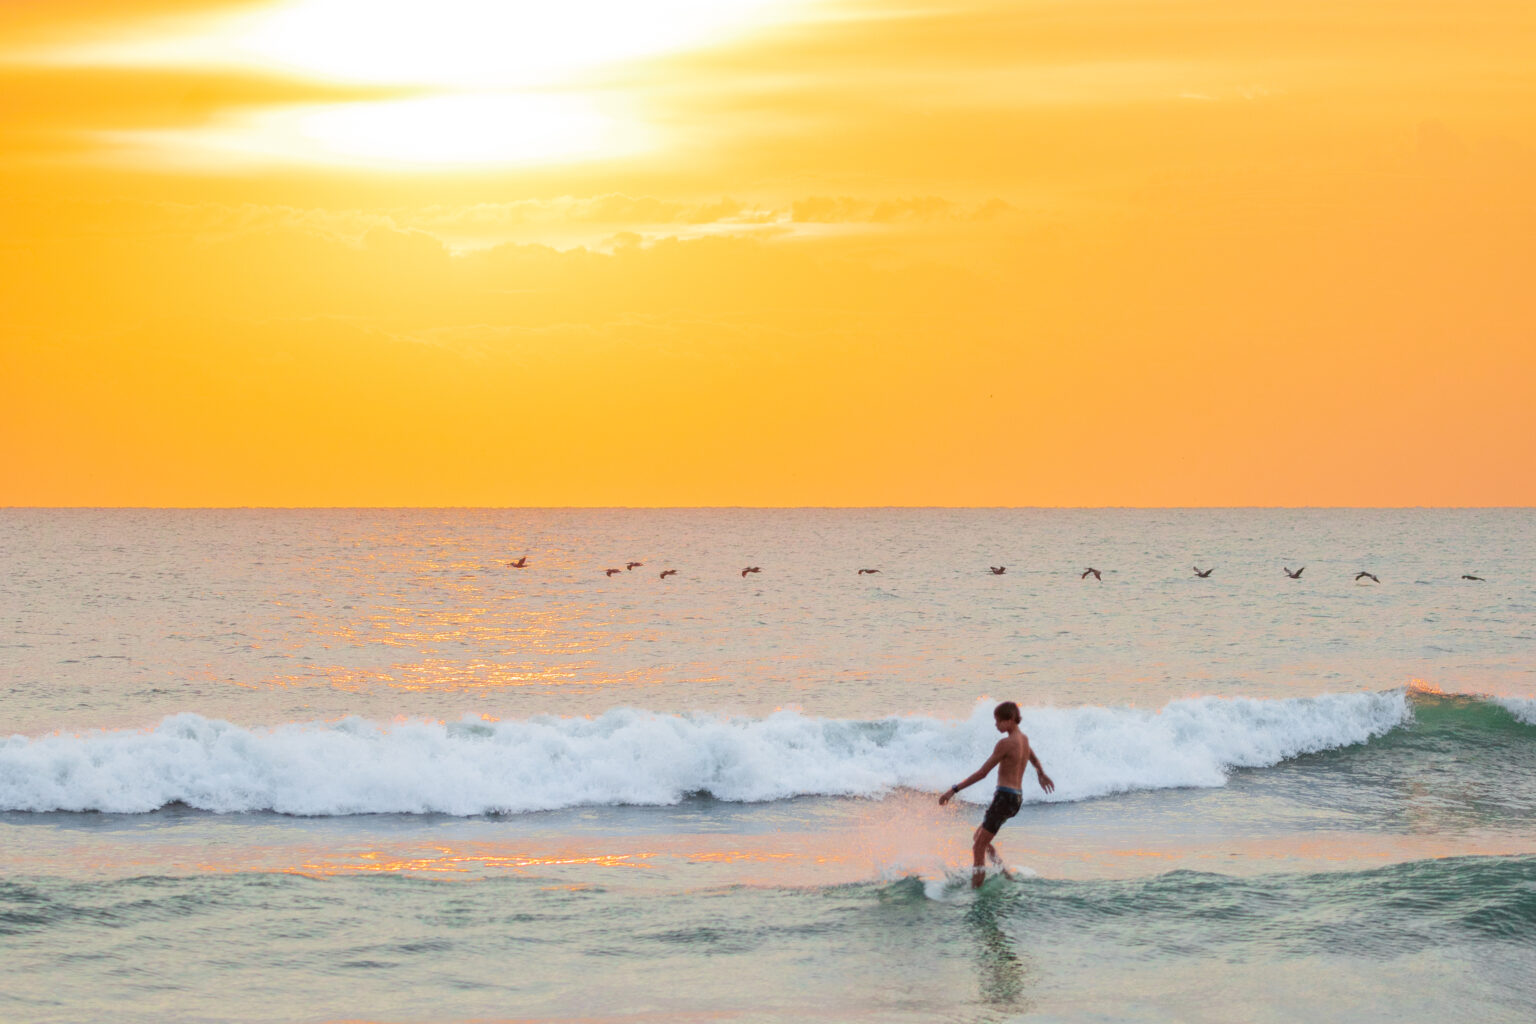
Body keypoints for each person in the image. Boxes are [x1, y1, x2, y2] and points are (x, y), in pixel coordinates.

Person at [939, 701, 1054, 887]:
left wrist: (953, 790)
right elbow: (1032, 757)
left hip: (1004, 798)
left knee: (978, 846)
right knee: (979, 839)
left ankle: (977, 890)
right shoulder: (1023, 740)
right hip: (1015, 800)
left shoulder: (1005, 743)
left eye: (998, 721)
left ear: (1009, 720)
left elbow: (982, 773)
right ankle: (1005, 874)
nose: (996, 725)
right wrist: (1041, 773)